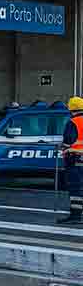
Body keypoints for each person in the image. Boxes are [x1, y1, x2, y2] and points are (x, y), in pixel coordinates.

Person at [59, 96, 83, 224]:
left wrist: (62, 147)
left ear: (71, 109)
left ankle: (76, 215)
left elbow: (68, 142)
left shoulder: (73, 122)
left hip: (75, 159)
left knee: (76, 188)